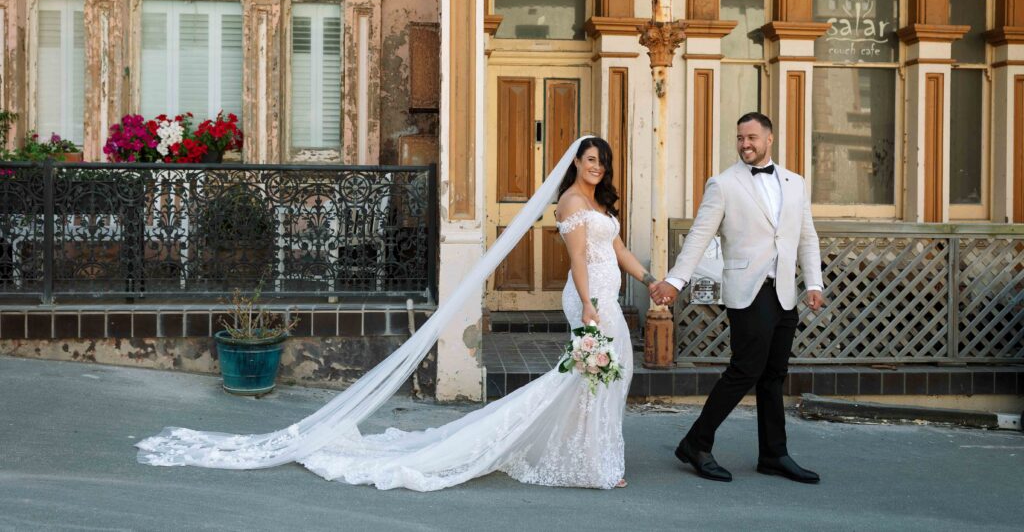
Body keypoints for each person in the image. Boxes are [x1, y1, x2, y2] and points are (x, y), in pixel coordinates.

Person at [136, 137, 657, 491]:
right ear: (575, 164)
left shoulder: (602, 206)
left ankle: (591, 457)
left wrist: (651, 281)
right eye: (589, 159)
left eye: (600, 161)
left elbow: (619, 252)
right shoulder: (570, 203)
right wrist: (588, 304)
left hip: (607, 295)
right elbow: (577, 261)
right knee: (591, 375)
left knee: (599, 376)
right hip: (589, 299)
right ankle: (594, 463)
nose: (595, 166)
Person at [649, 112, 825, 484]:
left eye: (752, 138)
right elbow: (699, 236)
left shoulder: (795, 183)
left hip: (784, 293)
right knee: (745, 369)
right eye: (740, 138)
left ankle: (774, 454)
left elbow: (807, 236)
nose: (745, 144)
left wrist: (814, 283)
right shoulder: (723, 184)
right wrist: (676, 281)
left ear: (769, 139)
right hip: (748, 290)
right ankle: (697, 443)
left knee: (774, 375)